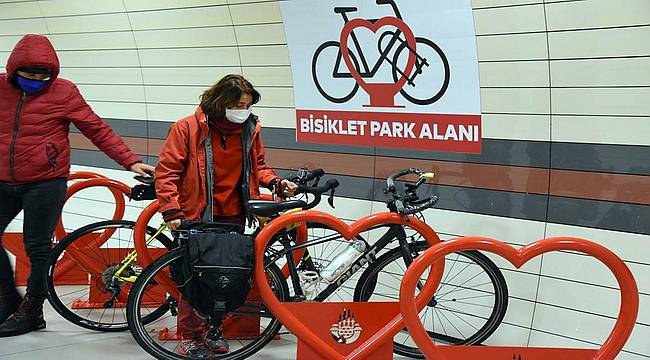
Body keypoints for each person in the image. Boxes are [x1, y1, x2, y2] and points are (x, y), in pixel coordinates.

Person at [0, 34, 155, 337]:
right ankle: (7, 300)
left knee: (38, 247)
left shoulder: (64, 91)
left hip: (46, 181)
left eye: (43, 76)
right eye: (29, 76)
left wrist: (130, 162)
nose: (36, 82)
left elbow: (96, 128)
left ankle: (32, 311)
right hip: (2, 179)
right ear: (14, 70)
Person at [155, 74, 297, 356]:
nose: (243, 111)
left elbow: (258, 165)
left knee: (226, 277)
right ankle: (190, 335)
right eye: (237, 105)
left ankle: (214, 331)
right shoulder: (187, 128)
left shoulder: (250, 129)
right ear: (221, 103)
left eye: (247, 105)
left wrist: (276, 183)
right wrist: (171, 209)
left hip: (233, 214)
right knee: (195, 278)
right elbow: (167, 172)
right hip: (195, 214)